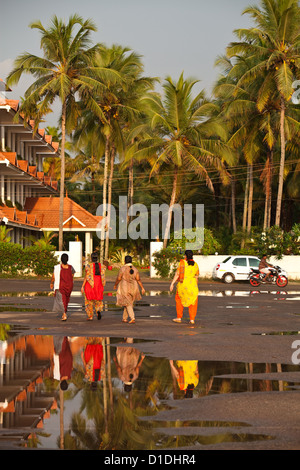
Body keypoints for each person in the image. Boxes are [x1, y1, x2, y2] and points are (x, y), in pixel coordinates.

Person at [113, 255, 145, 324]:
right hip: (134, 287)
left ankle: (132, 317)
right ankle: (124, 318)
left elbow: (119, 278)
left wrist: (115, 285)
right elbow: (138, 279)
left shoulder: (123, 269)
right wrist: (142, 288)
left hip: (125, 287)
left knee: (128, 303)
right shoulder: (135, 269)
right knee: (128, 302)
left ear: (125, 261)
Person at [170, 250, 199, 324]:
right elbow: (196, 277)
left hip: (183, 285)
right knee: (193, 302)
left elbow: (177, 274)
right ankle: (192, 320)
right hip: (193, 285)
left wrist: (172, 283)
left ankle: (179, 318)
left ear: (185, 256)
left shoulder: (182, 263)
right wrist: (195, 286)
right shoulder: (195, 264)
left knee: (179, 300)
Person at [81, 252, 106, 321]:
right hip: (99, 285)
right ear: (97, 258)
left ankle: (90, 316)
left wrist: (82, 286)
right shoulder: (102, 266)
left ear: (91, 258)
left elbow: (86, 277)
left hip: (90, 285)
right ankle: (98, 311)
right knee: (98, 300)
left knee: (89, 301)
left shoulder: (88, 266)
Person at [50, 253, 75, 321]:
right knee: (66, 300)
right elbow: (72, 275)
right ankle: (64, 313)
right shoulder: (71, 267)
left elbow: (53, 276)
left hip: (61, 286)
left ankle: (64, 314)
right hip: (69, 286)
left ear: (61, 260)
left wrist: (52, 283)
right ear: (67, 259)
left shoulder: (57, 268)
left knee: (62, 300)